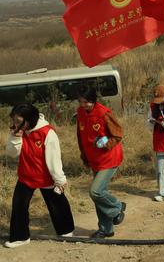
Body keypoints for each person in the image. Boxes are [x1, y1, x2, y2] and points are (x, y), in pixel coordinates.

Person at [4, 103, 75, 248]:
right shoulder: (19, 130)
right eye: (14, 121)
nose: (14, 125)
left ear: (29, 120)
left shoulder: (47, 133)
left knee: (56, 204)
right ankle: (20, 237)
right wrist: (16, 138)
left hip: (45, 176)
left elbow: (54, 158)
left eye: (18, 122)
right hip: (26, 175)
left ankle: (66, 231)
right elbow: (12, 154)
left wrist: (60, 180)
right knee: (19, 205)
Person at [77, 85, 126, 238]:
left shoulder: (104, 113)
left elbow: (117, 134)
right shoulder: (80, 113)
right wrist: (84, 155)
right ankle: (106, 229)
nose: (84, 105)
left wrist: (106, 144)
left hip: (109, 158)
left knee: (95, 191)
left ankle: (117, 207)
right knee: (100, 194)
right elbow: (80, 136)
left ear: (93, 100)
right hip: (94, 160)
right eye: (81, 102)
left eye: (87, 102)